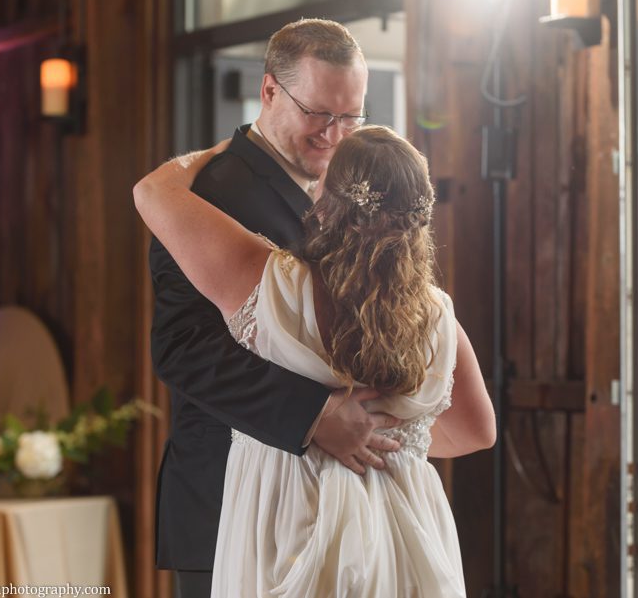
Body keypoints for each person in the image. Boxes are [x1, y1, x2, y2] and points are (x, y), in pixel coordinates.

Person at [134, 125, 497, 596]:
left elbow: (153, 192)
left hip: (286, 519)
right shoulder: (438, 317)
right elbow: (477, 431)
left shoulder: (269, 284)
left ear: (326, 202)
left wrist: (224, 146)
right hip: (406, 532)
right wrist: (389, 437)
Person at [149, 19, 401, 598]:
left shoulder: (339, 188)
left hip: (318, 505)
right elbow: (182, 349)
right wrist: (315, 416)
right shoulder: (209, 193)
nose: (335, 136)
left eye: (350, 117)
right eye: (319, 114)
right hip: (227, 498)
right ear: (268, 92)